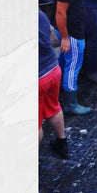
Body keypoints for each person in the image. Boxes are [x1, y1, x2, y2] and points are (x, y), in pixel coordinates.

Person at [49, 0, 93, 116]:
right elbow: (61, 12)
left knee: (64, 60)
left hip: (65, 30)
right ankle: (71, 103)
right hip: (72, 33)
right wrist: (66, 38)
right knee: (73, 65)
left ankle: (57, 87)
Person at [37, 10, 68, 158]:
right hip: (53, 69)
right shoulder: (39, 14)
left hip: (37, 78)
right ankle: (62, 143)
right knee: (53, 107)